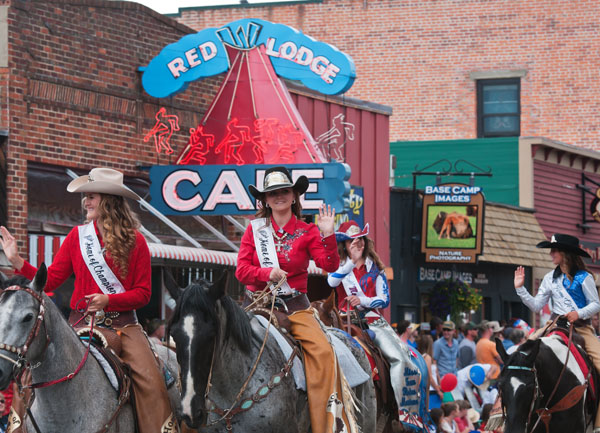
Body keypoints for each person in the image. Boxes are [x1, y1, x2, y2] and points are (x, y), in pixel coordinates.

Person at [0, 167, 177, 433]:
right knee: (29, 371)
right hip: (80, 325)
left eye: (92, 196)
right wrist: (16, 261)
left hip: (125, 327)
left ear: (109, 201)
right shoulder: (76, 237)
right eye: (86, 197)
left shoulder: (137, 242)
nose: (86, 202)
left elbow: (143, 293)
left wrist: (108, 299)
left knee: (151, 380)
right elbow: (50, 280)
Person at [236, 166, 358, 433]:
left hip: (294, 309)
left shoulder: (307, 231)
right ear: (265, 200)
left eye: (284, 191)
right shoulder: (253, 231)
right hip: (255, 306)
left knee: (324, 352)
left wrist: (327, 234)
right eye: (272, 193)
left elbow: (328, 264)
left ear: (293, 196)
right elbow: (241, 270)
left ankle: (329, 425)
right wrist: (267, 272)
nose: (278, 196)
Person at [327, 220, 416, 419]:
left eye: (360, 240)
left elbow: (384, 299)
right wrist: (351, 261)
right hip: (341, 319)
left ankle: (404, 412)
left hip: (370, 320)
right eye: (352, 241)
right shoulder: (339, 265)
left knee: (399, 358)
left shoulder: (375, 268)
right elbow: (331, 281)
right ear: (344, 244)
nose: (357, 243)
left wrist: (363, 300)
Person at [514, 233, 600, 432]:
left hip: (581, 327)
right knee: (518, 358)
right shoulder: (549, 278)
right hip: (554, 325)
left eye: (555, 250)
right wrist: (520, 289)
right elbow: (536, 305)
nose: (551, 254)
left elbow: (596, 304)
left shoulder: (584, 277)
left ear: (566, 253)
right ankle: (501, 414)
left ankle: (597, 424)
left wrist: (578, 313)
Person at [417, 334, 443, 406]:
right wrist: (438, 391)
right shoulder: (427, 357)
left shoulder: (420, 356)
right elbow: (429, 376)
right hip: (432, 390)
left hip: (433, 388)